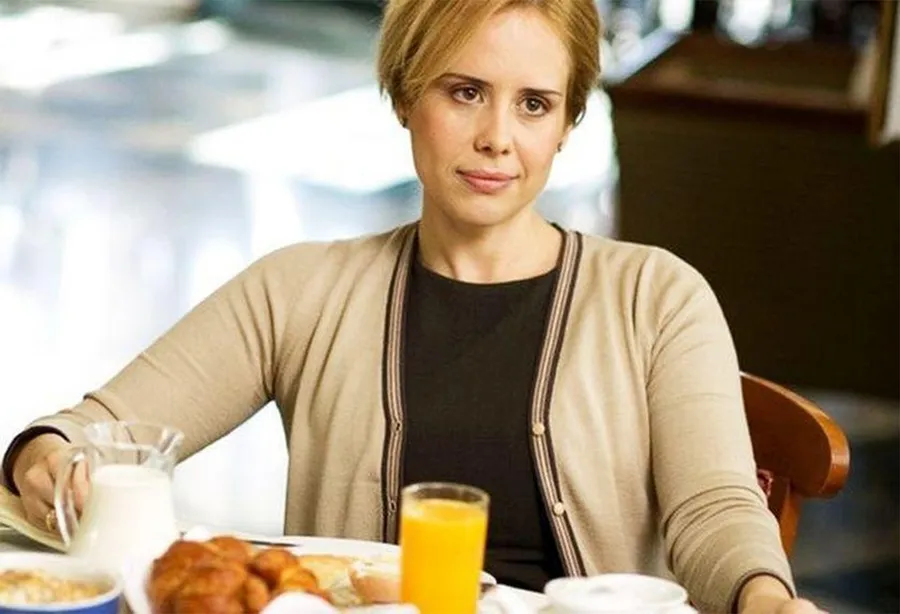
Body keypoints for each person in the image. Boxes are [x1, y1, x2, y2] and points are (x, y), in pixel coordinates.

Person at [2, 1, 823, 612]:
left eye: (534, 104)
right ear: (403, 96)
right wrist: (47, 457)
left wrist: (769, 599)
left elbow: (713, 509)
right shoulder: (301, 289)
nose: (498, 137)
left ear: (568, 123)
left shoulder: (657, 297)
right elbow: (91, 429)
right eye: (465, 92)